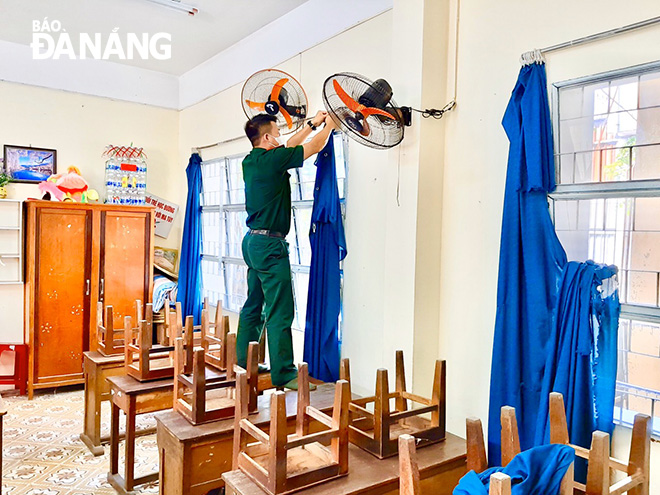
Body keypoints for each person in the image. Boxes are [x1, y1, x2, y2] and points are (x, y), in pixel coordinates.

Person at [237, 110, 337, 390]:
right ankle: (284, 373)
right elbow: (313, 147)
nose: (281, 136)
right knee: (281, 310)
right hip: (270, 246)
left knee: (253, 306)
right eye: (277, 132)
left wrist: (311, 125)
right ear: (267, 137)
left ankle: (246, 363)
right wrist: (330, 126)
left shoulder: (252, 160)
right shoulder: (273, 160)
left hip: (252, 242)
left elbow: (289, 146)